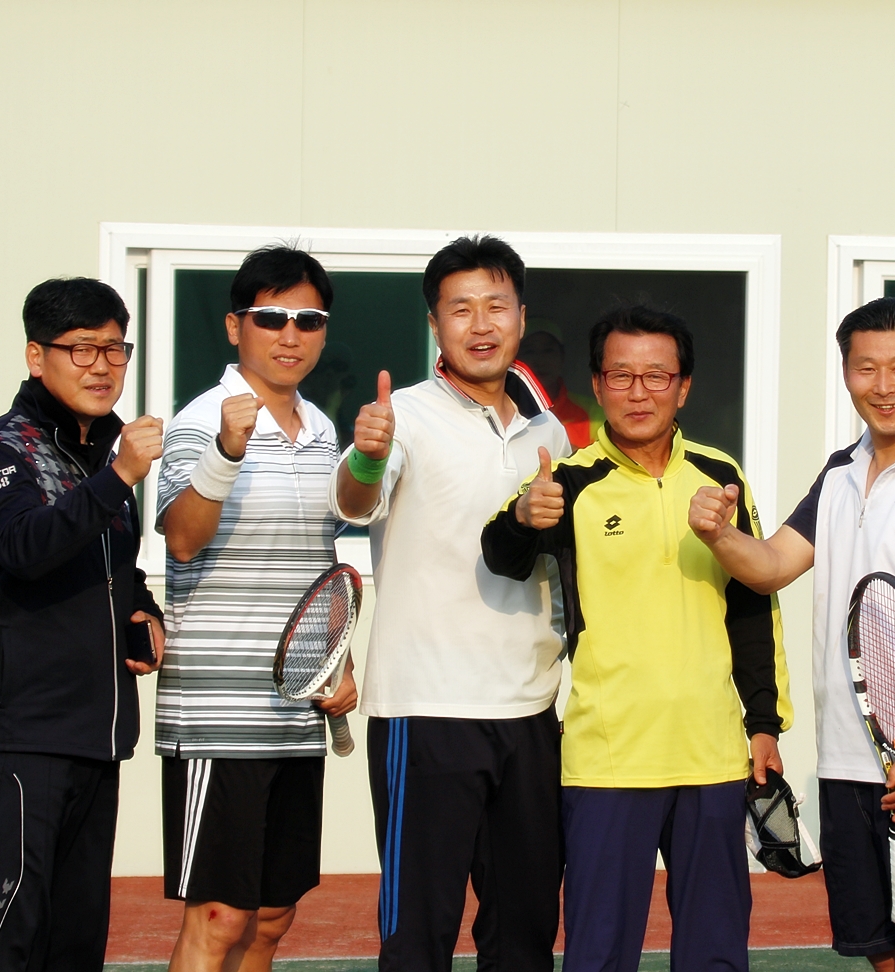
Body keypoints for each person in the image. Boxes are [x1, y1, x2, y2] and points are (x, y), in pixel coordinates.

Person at [687, 296, 895, 972]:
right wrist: (719, 535)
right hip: (846, 765)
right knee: (888, 956)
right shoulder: (840, 472)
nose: (883, 386)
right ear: (846, 374)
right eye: (866, 368)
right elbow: (771, 566)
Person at [482, 305, 792, 972]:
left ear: (684, 387)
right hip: (608, 758)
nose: (639, 392)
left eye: (657, 376)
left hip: (711, 754)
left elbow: (753, 604)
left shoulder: (719, 474)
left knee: (715, 956)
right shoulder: (567, 480)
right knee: (598, 955)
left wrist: (764, 724)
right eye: (621, 375)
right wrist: (522, 517)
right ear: (597, 384)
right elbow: (501, 556)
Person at [330, 235, 571, 972]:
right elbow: (355, 501)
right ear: (435, 324)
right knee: (418, 937)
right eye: (460, 308)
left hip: (531, 709)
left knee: (525, 936)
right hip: (426, 709)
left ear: (521, 317)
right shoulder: (401, 416)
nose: (481, 324)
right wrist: (367, 454)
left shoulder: (548, 429)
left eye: (497, 305)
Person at [0, 277, 165, 972]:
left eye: (114, 348)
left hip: (97, 740)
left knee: (74, 948)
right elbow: (24, 547)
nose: (102, 366)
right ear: (36, 356)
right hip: (16, 740)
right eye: (81, 349)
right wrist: (117, 479)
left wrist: (143, 610)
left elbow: (115, 568)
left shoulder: (106, 456)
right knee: (3, 947)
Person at [154, 246, 356, 972]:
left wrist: (338, 663)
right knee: (220, 915)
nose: (290, 334)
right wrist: (227, 452)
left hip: (295, 714)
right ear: (236, 326)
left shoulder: (323, 432)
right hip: (217, 714)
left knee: (272, 918)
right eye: (271, 318)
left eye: (309, 319)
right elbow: (182, 539)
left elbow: (320, 567)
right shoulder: (200, 421)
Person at [517, 317, 603, 448]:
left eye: (548, 351)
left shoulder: (593, 412)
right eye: (529, 351)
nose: (540, 361)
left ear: (562, 356)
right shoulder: (505, 409)